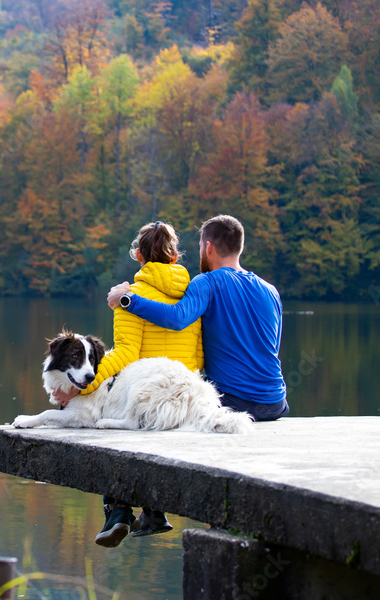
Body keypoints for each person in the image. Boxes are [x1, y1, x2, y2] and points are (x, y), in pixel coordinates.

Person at [54, 221, 204, 547]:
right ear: (176, 256)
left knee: (108, 426)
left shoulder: (129, 298)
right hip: (184, 396)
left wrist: (82, 387)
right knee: (151, 436)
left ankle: (118, 510)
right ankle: (154, 511)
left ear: (138, 254)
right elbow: (198, 356)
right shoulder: (192, 296)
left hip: (143, 391)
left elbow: (124, 355)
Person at [106, 214, 289, 420]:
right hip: (276, 402)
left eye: (201, 246)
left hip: (232, 402)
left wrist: (128, 300)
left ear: (208, 248)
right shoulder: (271, 290)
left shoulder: (207, 282)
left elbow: (177, 318)